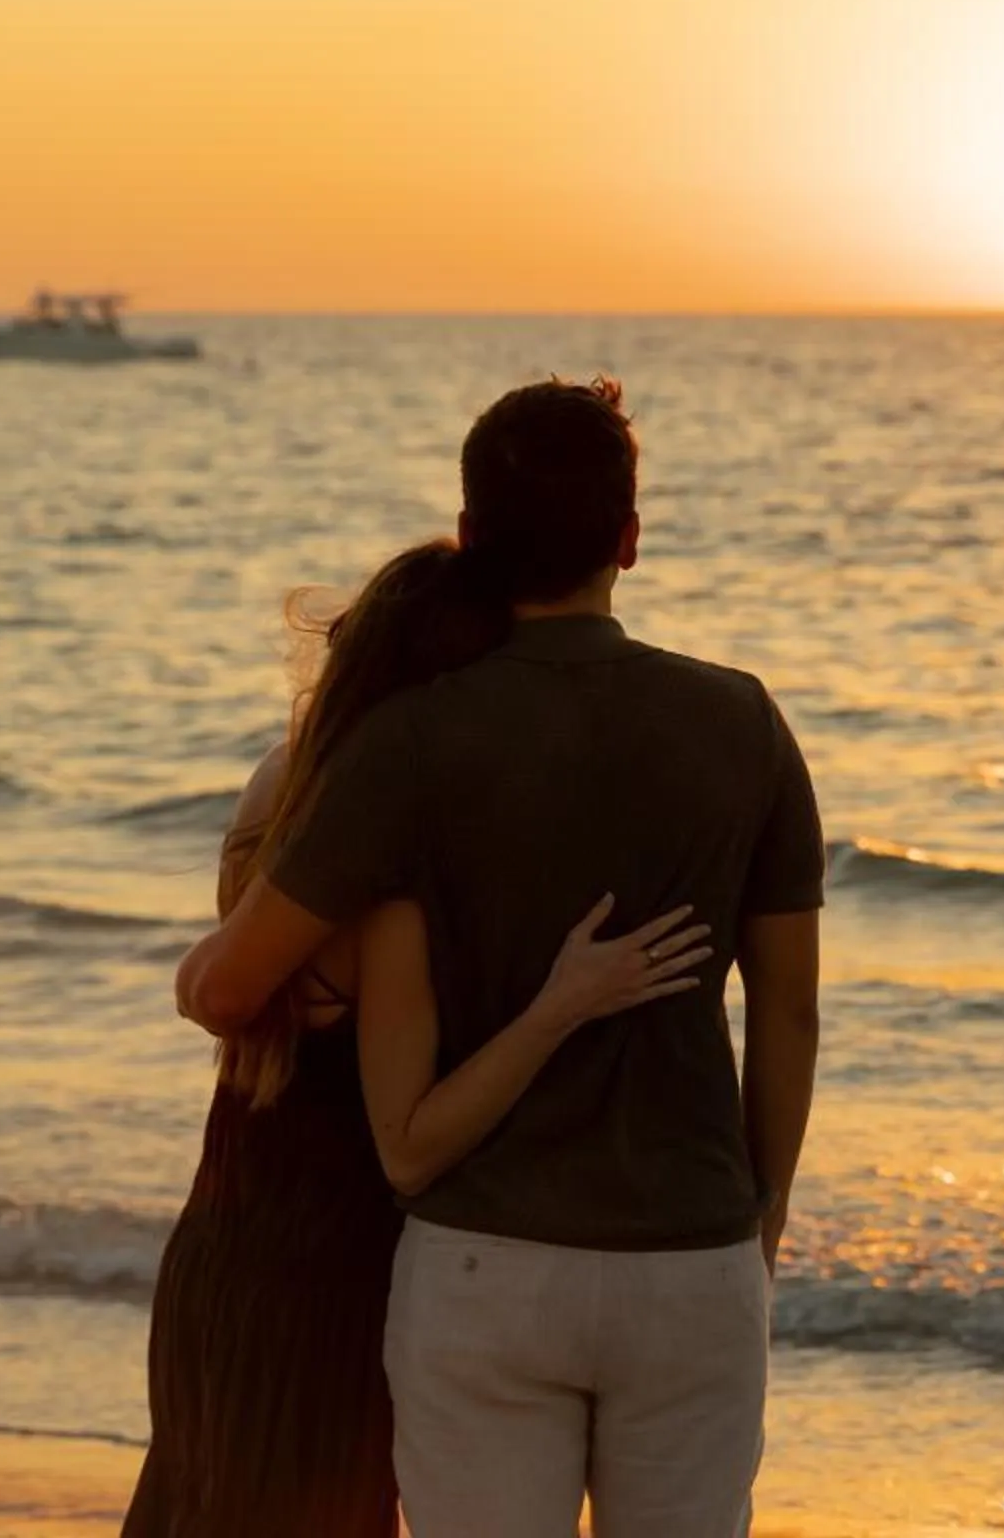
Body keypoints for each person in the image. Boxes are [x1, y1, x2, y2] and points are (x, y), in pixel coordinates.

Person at [176, 376, 826, 1538]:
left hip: (483, 1262)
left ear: (471, 537)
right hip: (690, 1257)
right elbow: (789, 1013)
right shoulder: (744, 720)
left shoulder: (408, 740)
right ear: (630, 538)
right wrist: (757, 1227)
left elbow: (235, 983)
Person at [125, 539, 715, 1538]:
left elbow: (212, 988)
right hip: (329, 1280)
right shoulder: (383, 887)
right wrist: (561, 1003)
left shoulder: (281, 789)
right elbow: (413, 1135)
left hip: (222, 1247)